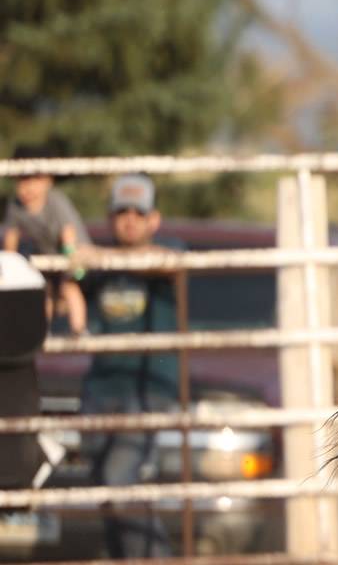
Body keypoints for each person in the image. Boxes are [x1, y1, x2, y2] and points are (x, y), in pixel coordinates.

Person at [76, 174, 182, 557]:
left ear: (154, 219)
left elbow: (170, 263)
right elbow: (68, 284)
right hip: (100, 389)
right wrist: (71, 267)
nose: (130, 220)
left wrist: (95, 257)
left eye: (139, 212)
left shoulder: (167, 253)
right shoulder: (98, 268)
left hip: (149, 389)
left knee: (118, 478)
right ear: (110, 218)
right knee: (106, 489)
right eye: (122, 211)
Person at [2, 145, 89, 334]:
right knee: (44, 292)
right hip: (48, 254)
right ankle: (42, 331)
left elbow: (68, 231)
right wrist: (9, 265)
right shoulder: (16, 207)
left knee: (69, 287)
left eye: (34, 178)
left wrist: (70, 258)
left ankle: (79, 329)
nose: (27, 186)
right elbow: (11, 236)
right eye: (22, 179)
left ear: (48, 180)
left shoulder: (55, 200)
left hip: (74, 251)